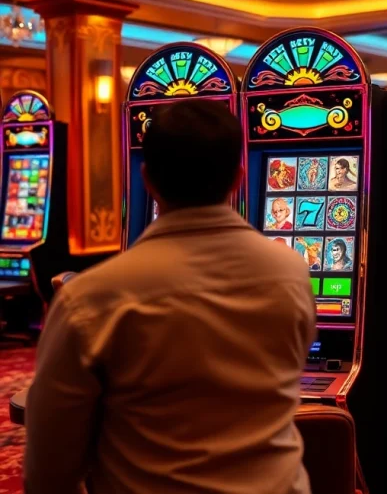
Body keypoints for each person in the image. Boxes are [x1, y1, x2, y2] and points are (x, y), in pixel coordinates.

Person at [25, 100, 316, 494]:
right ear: (238, 179)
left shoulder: (90, 298)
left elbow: (49, 471)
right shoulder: (293, 271)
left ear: (146, 180)